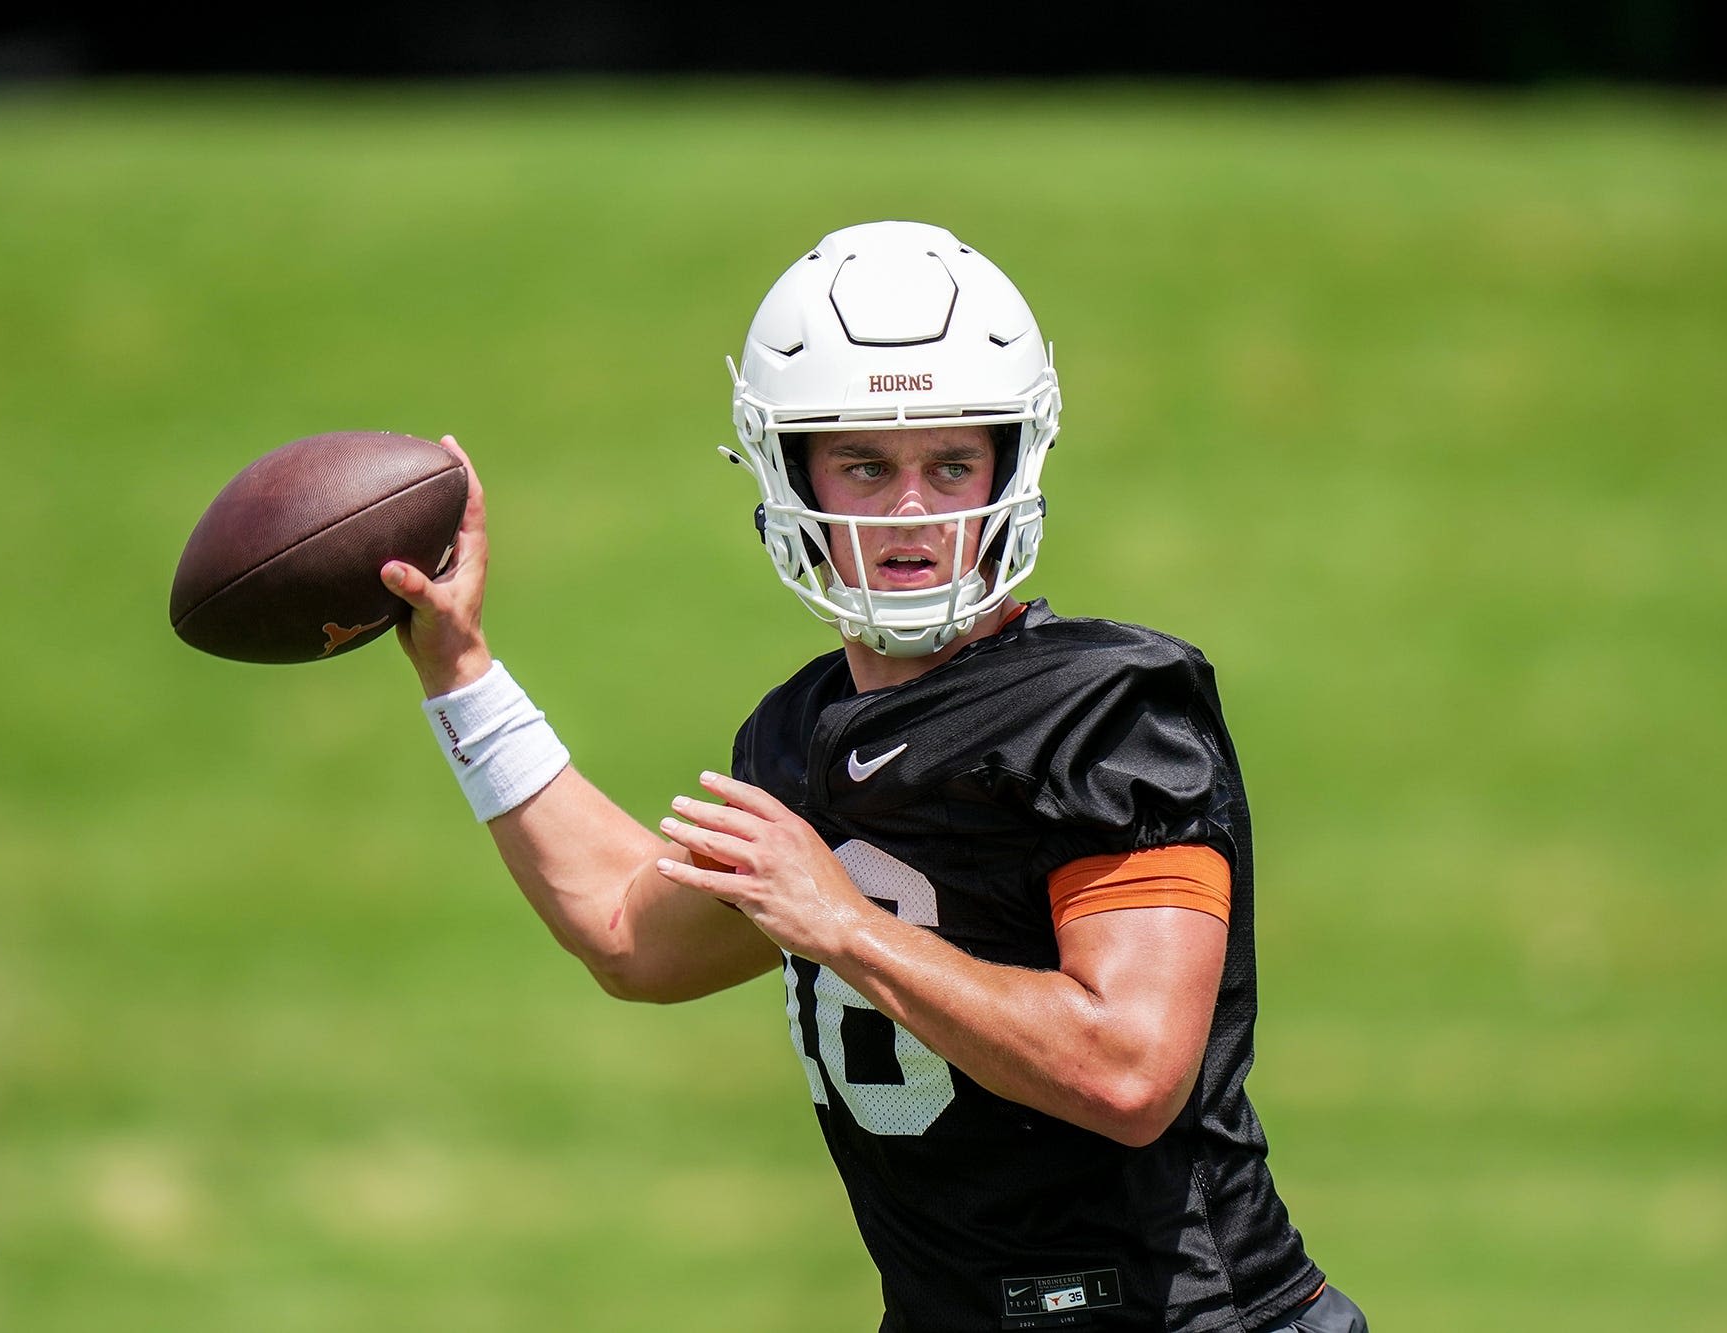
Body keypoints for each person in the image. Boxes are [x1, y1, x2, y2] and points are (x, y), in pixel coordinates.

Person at [378, 220, 1366, 1333]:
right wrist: (460, 671)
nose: (911, 511)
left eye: (950, 465)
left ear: (1011, 463)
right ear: (788, 473)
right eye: (865, 465)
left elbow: (1130, 1071)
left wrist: (844, 926)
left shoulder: (1101, 712)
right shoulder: (803, 736)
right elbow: (629, 932)